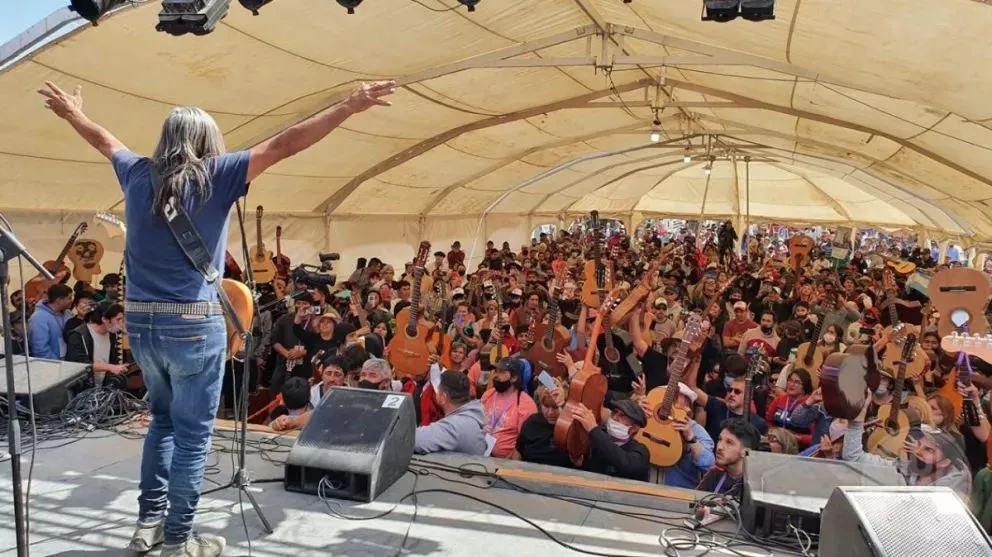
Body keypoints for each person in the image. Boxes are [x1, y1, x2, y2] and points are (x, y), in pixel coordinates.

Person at [39, 78, 395, 556]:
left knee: (162, 422)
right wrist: (347, 107)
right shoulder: (218, 173)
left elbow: (106, 140)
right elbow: (286, 142)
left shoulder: (137, 173)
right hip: (191, 324)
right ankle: (182, 539)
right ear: (208, 142)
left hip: (141, 324)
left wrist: (72, 114)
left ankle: (148, 524)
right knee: (191, 435)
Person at [414, 371, 487, 455]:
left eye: (437, 390)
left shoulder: (456, 425)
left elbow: (413, 439)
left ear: (443, 398)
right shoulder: (470, 416)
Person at [64, 302, 129, 387]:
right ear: (105, 319)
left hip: (103, 388)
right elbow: (81, 365)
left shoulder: (112, 335)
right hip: (83, 389)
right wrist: (111, 367)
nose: (121, 323)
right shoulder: (78, 336)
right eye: (118, 319)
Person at [697, 419, 761, 496]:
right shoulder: (714, 473)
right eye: (720, 439)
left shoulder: (757, 485)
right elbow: (695, 503)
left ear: (746, 452)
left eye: (729, 442)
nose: (719, 447)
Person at [28, 283, 73, 360]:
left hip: (69, 362)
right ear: (59, 300)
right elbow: (40, 349)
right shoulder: (38, 318)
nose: (71, 300)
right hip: (53, 366)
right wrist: (58, 364)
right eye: (69, 298)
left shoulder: (68, 313)